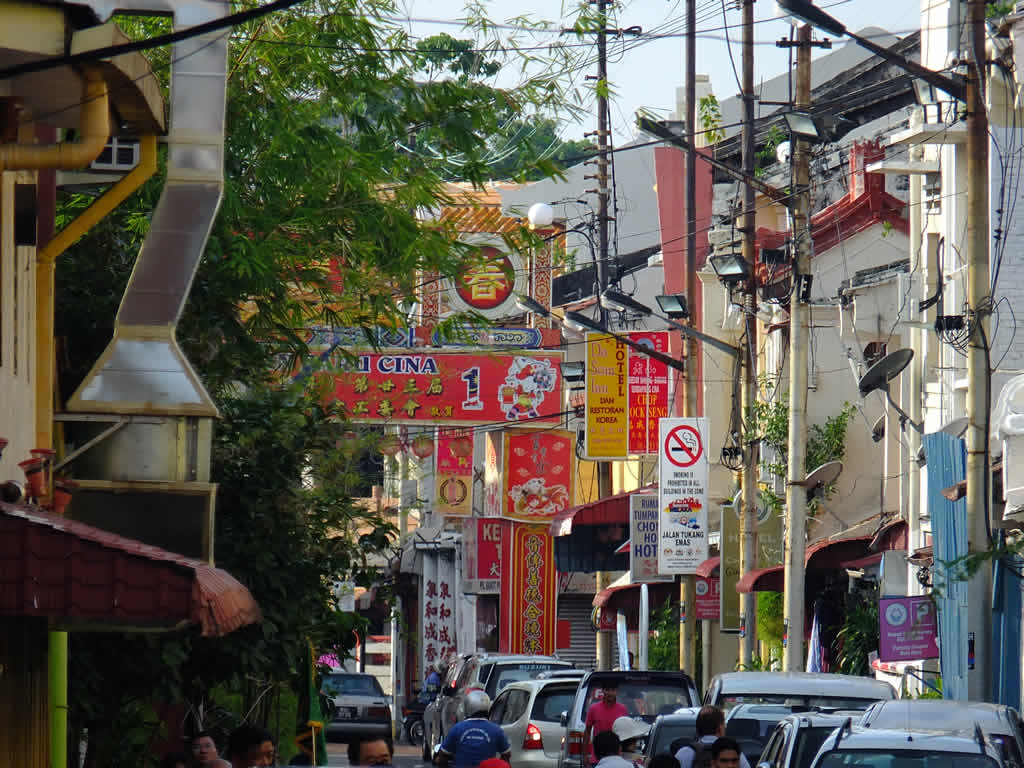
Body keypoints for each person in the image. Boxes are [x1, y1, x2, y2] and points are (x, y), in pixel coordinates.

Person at [436, 690, 510, 768]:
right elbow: (506, 755)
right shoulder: (496, 730)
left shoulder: (457, 729)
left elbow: (443, 756)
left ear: (467, 706)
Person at [674, 707, 750, 768]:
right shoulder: (733, 753)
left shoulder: (684, 752)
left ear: (697, 729)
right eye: (724, 725)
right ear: (719, 728)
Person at [582, 684, 629, 765]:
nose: (610, 693)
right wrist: (585, 755)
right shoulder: (593, 709)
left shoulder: (622, 709)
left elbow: (626, 733)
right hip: (597, 759)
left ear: (617, 691)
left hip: (617, 758)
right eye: (607, 690)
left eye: (613, 690)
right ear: (603, 691)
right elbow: (587, 732)